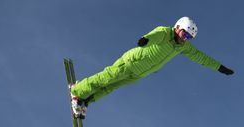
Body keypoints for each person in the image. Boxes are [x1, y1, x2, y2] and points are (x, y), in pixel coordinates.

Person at [70, 17, 234, 118]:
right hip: (131, 63)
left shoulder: (183, 47)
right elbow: (154, 35)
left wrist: (219, 67)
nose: (185, 39)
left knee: (111, 86)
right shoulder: (165, 32)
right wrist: (145, 40)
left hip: (140, 73)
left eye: (189, 38)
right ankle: (77, 92)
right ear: (177, 27)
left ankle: (86, 100)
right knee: (106, 78)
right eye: (184, 34)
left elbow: (200, 57)